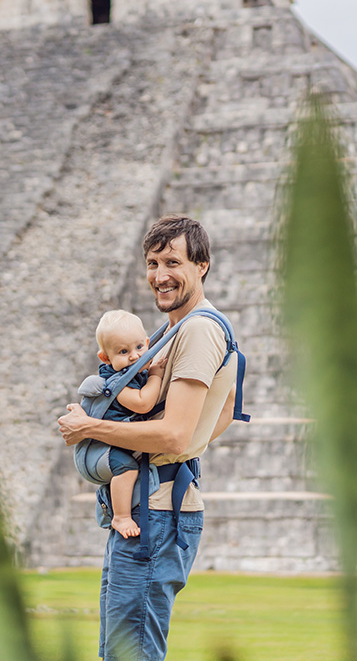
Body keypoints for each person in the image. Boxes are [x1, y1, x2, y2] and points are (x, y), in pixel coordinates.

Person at [58, 214, 239, 661]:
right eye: (153, 262)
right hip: (154, 508)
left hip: (156, 515)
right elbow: (228, 408)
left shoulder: (197, 329)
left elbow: (176, 434)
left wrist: (90, 428)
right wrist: (180, 451)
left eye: (173, 262)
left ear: (202, 266)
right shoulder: (176, 330)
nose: (160, 275)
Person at [77, 310, 169, 539]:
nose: (134, 356)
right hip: (105, 449)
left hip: (117, 442)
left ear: (148, 343)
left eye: (139, 347)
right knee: (127, 468)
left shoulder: (135, 372)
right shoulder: (117, 383)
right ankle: (120, 516)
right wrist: (156, 375)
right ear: (106, 358)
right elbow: (143, 403)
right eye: (123, 351)